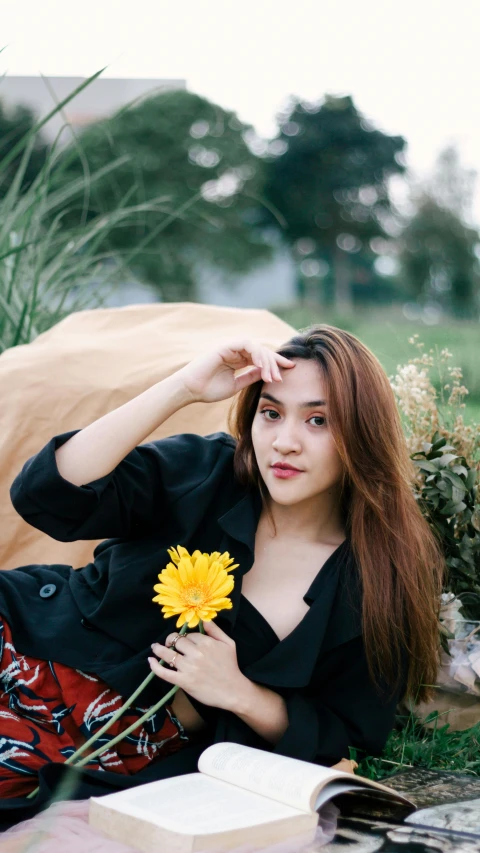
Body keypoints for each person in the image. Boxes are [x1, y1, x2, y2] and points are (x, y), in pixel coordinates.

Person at [0, 325, 444, 823]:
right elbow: (46, 494)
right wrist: (183, 388)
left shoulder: (380, 574)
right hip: (25, 652)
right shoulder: (209, 471)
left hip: (131, 755)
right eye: (271, 413)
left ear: (362, 435)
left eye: (319, 420)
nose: (285, 442)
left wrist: (239, 693)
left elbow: (346, 734)